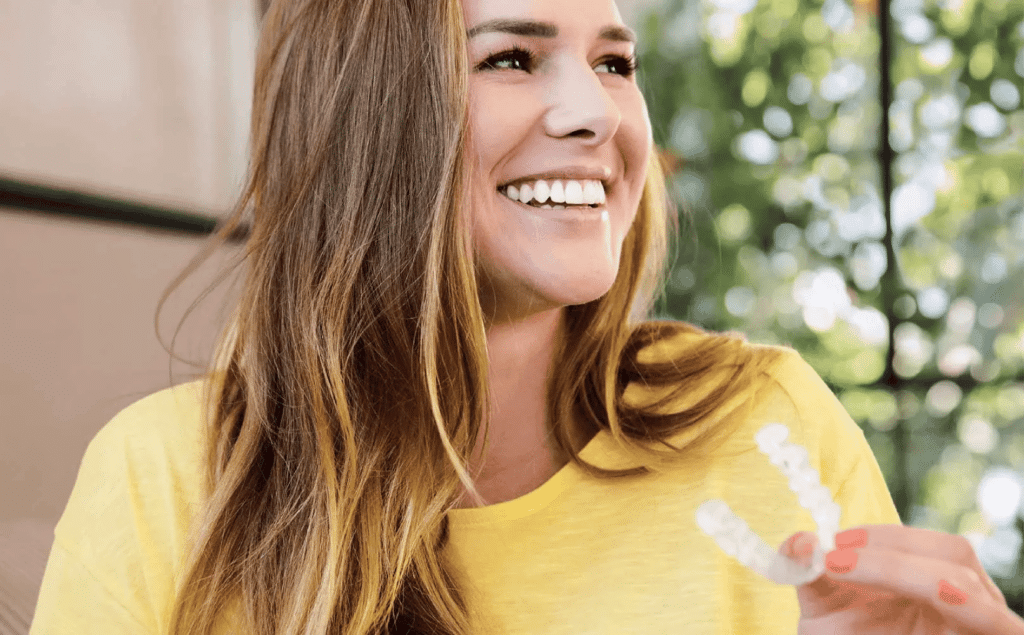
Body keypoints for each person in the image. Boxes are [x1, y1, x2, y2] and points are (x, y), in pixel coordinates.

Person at [29, 0, 1024, 633]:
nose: (596, 112)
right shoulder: (167, 478)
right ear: (361, 112)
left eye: (614, 63)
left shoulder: (759, 420)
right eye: (511, 58)